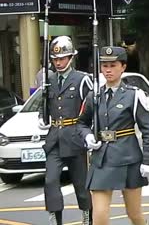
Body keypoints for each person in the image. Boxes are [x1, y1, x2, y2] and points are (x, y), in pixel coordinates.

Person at [77, 46, 149, 225]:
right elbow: (81, 123)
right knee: (100, 216)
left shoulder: (133, 95)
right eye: (104, 66)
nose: (108, 70)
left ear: (123, 67)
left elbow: (147, 130)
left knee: (134, 214)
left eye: (113, 65)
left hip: (128, 158)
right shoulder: (94, 96)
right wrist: (87, 136)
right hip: (102, 159)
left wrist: (148, 160)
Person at [37, 36, 93, 225]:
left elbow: (91, 108)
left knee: (81, 184)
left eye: (62, 58)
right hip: (55, 138)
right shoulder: (49, 80)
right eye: (55, 59)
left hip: (76, 137)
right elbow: (43, 105)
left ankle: (87, 217)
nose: (58, 62)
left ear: (71, 58)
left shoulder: (82, 79)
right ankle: (55, 219)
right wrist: (41, 117)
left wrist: (91, 133)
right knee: (50, 181)